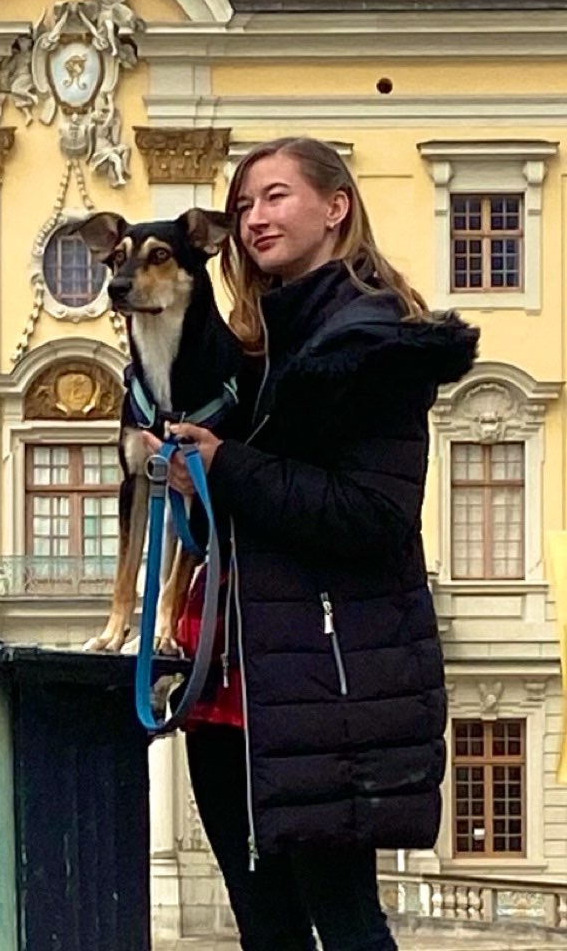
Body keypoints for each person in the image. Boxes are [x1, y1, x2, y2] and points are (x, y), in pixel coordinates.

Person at [144, 137, 479, 951]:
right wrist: (193, 475)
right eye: (244, 205)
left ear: (336, 208)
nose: (255, 216)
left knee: (345, 919)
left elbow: (372, 515)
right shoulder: (260, 344)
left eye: (276, 196)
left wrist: (227, 465)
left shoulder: (372, 344)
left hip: (323, 680)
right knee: (265, 924)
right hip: (236, 670)